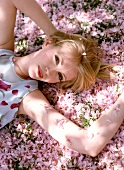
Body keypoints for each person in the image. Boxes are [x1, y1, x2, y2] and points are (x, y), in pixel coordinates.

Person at [0, 0, 123, 157]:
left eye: (59, 76)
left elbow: (88, 144)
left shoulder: (25, 97)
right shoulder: (3, 48)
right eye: (56, 59)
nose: (49, 71)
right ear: (48, 43)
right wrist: (54, 34)